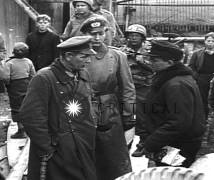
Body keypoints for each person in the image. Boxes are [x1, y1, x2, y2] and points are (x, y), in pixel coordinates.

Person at [19, 36, 97, 180]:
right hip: (57, 150)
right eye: (84, 56)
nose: (89, 61)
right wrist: (46, 147)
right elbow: (31, 116)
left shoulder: (83, 74)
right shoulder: (44, 78)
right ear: (68, 56)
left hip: (82, 145)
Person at [80, 17, 135, 180]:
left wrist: (130, 118)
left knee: (113, 159)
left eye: (101, 33)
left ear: (106, 33)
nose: (97, 38)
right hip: (81, 111)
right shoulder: (77, 54)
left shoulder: (117, 56)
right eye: (92, 34)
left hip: (109, 113)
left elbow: (128, 90)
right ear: (84, 34)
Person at [143, 40, 206, 167]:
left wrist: (151, 142)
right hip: (170, 142)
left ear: (170, 62)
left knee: (173, 175)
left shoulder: (176, 85)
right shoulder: (168, 79)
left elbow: (178, 122)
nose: (150, 63)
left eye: (155, 60)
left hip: (178, 145)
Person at [120, 24, 154, 157]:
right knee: (127, 116)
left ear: (142, 38)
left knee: (143, 118)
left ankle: (143, 145)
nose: (133, 38)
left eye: (136, 36)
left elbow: (155, 68)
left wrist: (141, 61)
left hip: (144, 90)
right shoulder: (121, 51)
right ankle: (125, 145)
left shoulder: (150, 52)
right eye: (130, 35)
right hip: (126, 89)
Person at [188, 32, 214, 118]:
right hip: (202, 78)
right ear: (205, 42)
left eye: (212, 41)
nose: (210, 43)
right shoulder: (197, 53)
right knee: (202, 99)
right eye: (208, 41)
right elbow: (191, 66)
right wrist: (196, 77)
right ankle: (203, 117)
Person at [3, 42, 35, 139]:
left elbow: (5, 77)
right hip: (26, 86)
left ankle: (21, 130)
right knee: (27, 106)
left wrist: (8, 85)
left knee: (16, 108)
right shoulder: (29, 62)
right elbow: (33, 75)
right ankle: (29, 129)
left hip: (14, 87)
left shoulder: (9, 63)